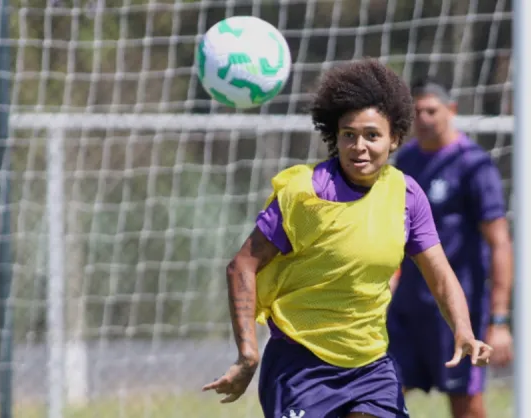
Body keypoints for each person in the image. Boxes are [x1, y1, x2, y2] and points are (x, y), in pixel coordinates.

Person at [202, 59, 493, 418]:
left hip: (370, 365)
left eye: (372, 135)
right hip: (300, 365)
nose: (359, 146)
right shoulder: (304, 193)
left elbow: (440, 273)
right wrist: (247, 353)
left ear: (395, 138)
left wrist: (463, 330)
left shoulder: (406, 195)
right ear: (334, 136)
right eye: (348, 134)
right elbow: (241, 266)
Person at [386, 76, 515, 418]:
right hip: (408, 307)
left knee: (466, 405)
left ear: (451, 111)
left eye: (431, 110)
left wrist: (499, 320)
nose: (424, 119)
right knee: (378, 393)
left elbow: (499, 242)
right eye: (416, 112)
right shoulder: (407, 159)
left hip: (458, 308)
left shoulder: (474, 164)